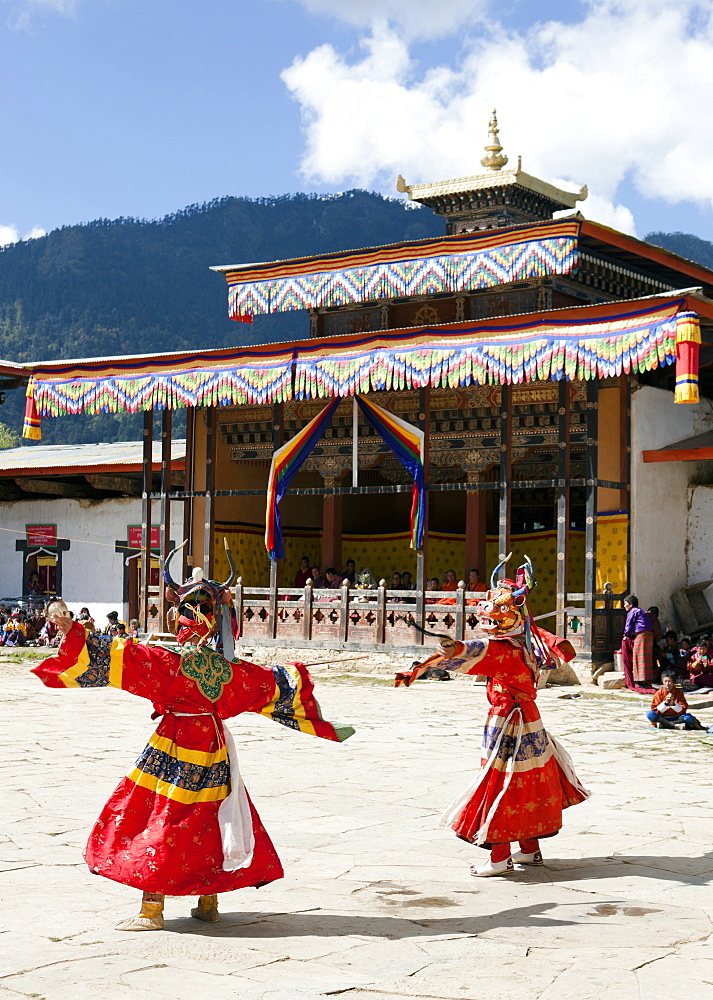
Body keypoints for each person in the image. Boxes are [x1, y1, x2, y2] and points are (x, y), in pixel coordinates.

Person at [33, 541, 354, 932]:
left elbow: (122, 656)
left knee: (162, 816)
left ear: (179, 618)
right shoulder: (227, 670)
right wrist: (315, 709)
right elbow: (270, 685)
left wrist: (73, 632)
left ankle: (151, 910)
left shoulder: (171, 664)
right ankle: (208, 903)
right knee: (211, 820)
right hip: (215, 748)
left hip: (174, 745)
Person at [396, 556, 588, 877]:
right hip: (531, 722)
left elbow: (475, 650)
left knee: (500, 784)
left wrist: (452, 650)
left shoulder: (505, 651)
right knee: (527, 783)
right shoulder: (531, 642)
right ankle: (529, 850)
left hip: (507, 723)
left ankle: (499, 858)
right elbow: (556, 647)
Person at [620, 595, 655, 690]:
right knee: (646, 657)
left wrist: (626, 636)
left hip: (641, 634)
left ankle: (640, 680)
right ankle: (645, 680)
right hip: (649, 635)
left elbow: (628, 626)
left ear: (630, 604)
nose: (624, 606)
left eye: (625, 603)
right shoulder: (640, 611)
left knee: (638, 657)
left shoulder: (633, 611)